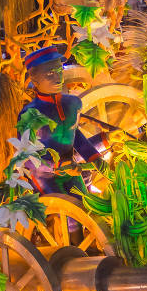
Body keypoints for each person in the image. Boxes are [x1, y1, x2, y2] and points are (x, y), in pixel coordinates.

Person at [18, 46, 108, 195]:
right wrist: (57, 165)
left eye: (60, 71)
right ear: (34, 80)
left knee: (85, 205)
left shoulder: (73, 103)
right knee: (66, 207)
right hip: (44, 176)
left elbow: (74, 135)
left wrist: (95, 157)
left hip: (71, 170)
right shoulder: (30, 114)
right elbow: (27, 157)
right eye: (50, 74)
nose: (58, 78)